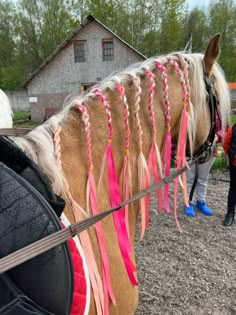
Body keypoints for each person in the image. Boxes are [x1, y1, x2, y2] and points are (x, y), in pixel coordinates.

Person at [184, 114, 222, 217]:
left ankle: (201, 201)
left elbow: (222, 129)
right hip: (190, 150)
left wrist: (217, 136)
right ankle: (188, 203)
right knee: (190, 178)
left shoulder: (215, 110)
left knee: (203, 178)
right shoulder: (189, 109)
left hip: (208, 151)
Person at [222, 123, 236, 226]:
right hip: (235, 164)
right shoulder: (233, 128)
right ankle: (230, 214)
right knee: (233, 189)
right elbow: (226, 144)